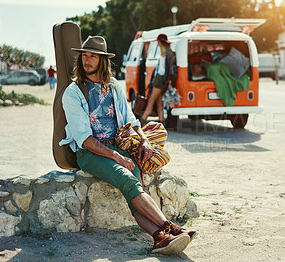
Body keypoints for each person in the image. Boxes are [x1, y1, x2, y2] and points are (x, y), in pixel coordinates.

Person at [60, 35, 196, 255]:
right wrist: (117, 158)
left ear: (102, 60)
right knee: (126, 178)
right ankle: (170, 227)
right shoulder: (73, 93)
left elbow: (130, 120)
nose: (87, 60)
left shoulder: (112, 86)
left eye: (92, 56)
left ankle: (159, 239)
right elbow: (85, 139)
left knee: (135, 185)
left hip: (118, 144)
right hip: (90, 152)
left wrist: (143, 140)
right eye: (84, 55)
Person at [140, 33, 177, 126]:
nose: (158, 44)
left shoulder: (170, 54)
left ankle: (140, 123)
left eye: (158, 42)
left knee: (150, 102)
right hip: (159, 80)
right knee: (159, 103)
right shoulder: (164, 54)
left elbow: (171, 70)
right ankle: (161, 124)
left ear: (161, 43)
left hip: (161, 81)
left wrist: (169, 82)